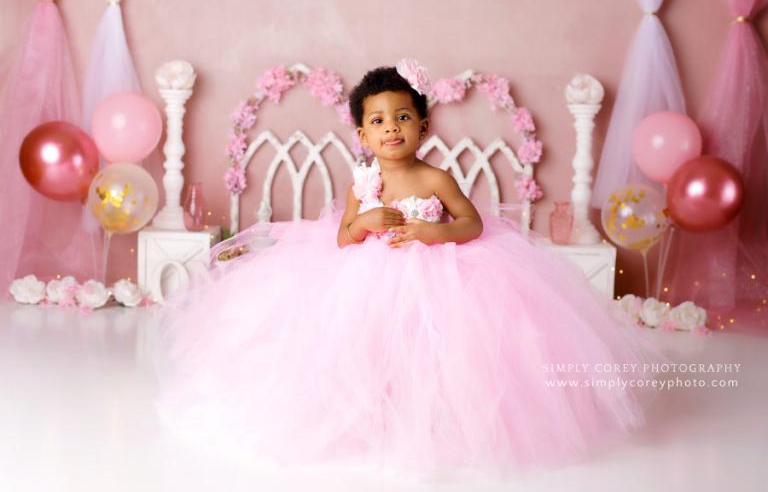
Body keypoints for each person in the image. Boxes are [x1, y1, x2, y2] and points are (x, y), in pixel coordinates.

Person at [154, 61, 670, 478]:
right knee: (362, 336)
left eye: (402, 117)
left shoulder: (436, 177)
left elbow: (470, 223)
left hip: (439, 272)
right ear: (362, 133)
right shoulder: (364, 181)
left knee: (441, 347)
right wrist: (364, 223)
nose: (391, 129)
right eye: (377, 121)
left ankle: (439, 420)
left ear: (423, 125)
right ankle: (367, 412)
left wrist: (433, 231)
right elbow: (342, 237)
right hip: (367, 276)